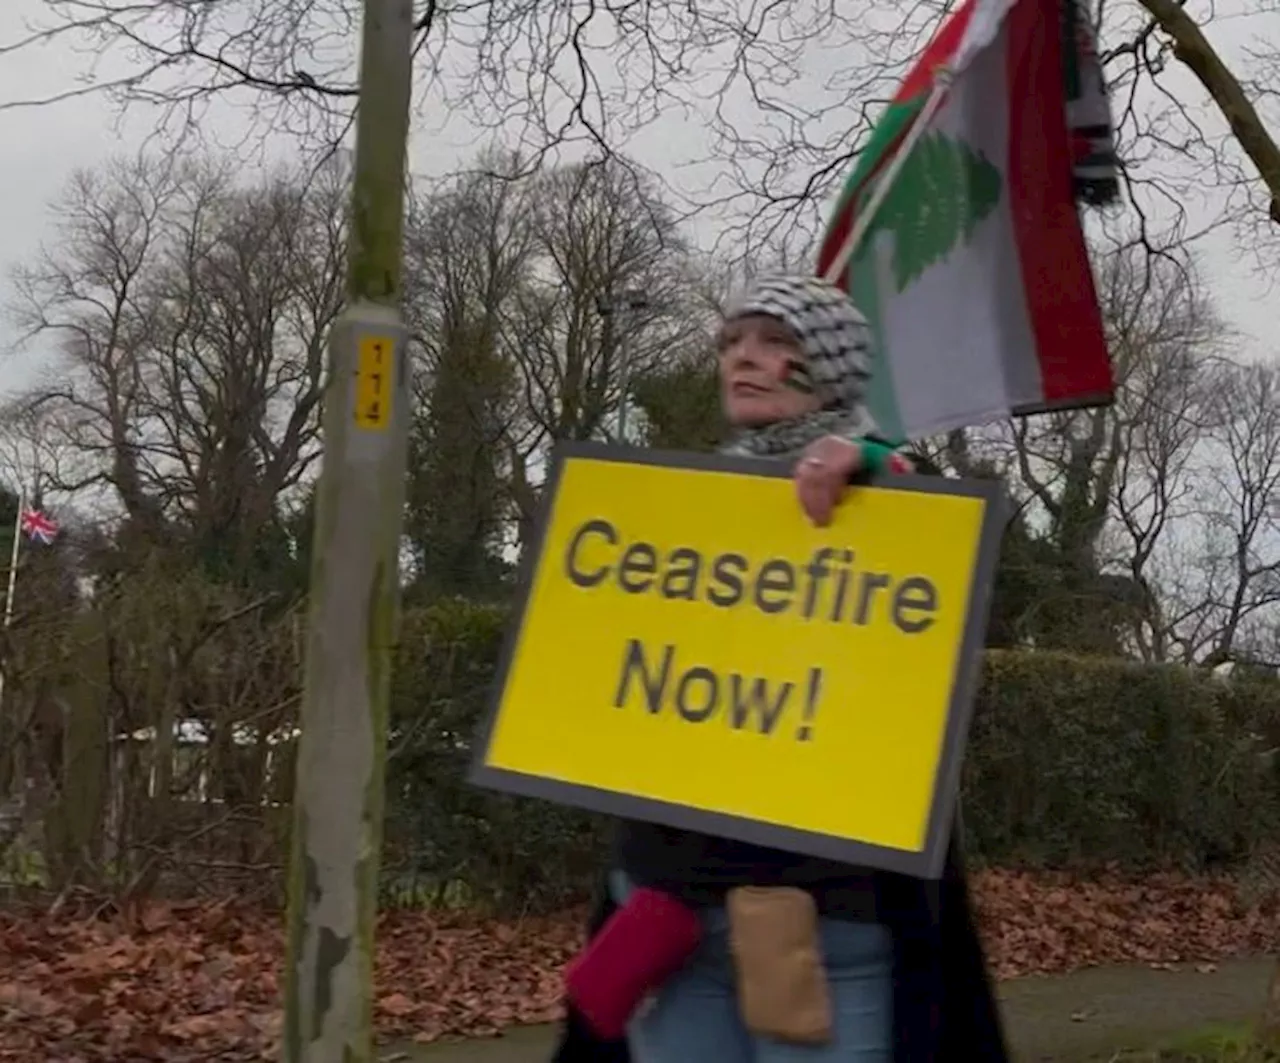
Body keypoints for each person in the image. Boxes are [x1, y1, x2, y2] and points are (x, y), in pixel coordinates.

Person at [552, 275, 1008, 1063]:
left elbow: (937, 560)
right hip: (668, 909)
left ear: (828, 363)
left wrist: (866, 459)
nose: (744, 358)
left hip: (821, 916)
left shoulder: (888, 494)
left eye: (775, 341)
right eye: (732, 342)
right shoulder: (678, 515)